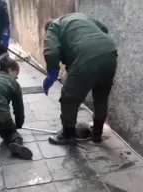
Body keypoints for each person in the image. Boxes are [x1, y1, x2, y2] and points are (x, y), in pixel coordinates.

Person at [42, 12, 117, 145]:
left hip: (87, 54)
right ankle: (97, 134)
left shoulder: (53, 27)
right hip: (110, 52)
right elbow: (104, 29)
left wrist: (52, 73)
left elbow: (51, 51)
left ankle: (68, 135)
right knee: (101, 97)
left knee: (68, 98)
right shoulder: (79, 17)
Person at [0, 53, 33, 160]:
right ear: (10, 70)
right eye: (16, 74)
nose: (17, 77)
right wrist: (18, 124)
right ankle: (17, 143)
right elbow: (18, 108)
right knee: (10, 132)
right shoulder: (13, 84)